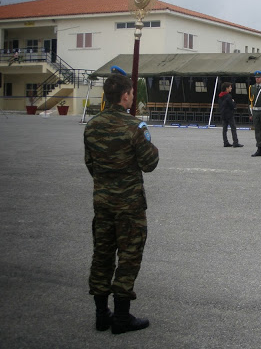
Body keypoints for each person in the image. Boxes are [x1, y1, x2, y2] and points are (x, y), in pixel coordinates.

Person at [84, 74, 159, 334]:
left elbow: (91, 164)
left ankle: (101, 313)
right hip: (129, 206)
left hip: (103, 203)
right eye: (130, 93)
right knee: (128, 257)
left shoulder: (92, 125)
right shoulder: (134, 126)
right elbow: (149, 164)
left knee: (102, 255)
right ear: (126, 95)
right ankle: (122, 317)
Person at [218, 82, 243, 148]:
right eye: (230, 87)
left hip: (223, 114)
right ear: (227, 88)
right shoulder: (228, 96)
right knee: (233, 128)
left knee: (224, 129)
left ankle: (225, 142)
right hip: (229, 114)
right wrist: (233, 102)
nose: (231, 88)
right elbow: (232, 105)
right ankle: (235, 142)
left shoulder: (220, 96)